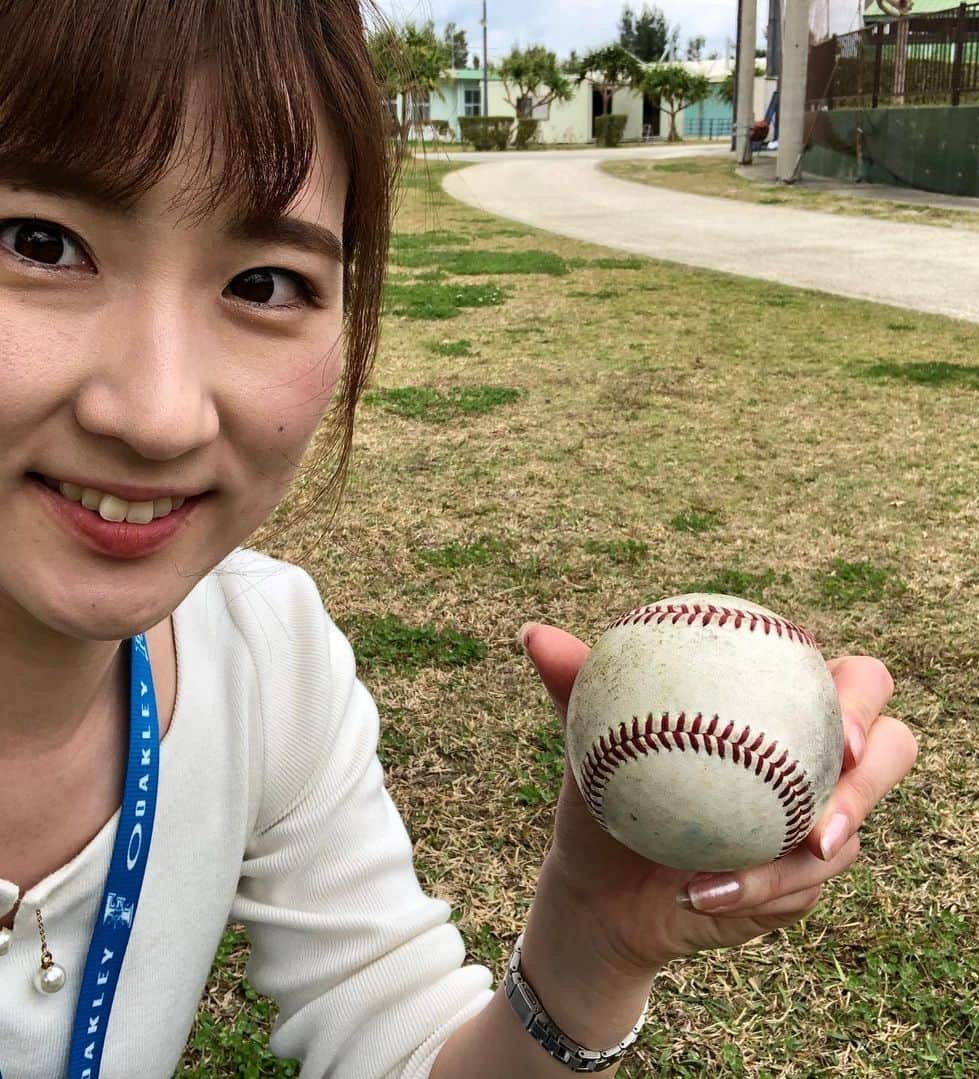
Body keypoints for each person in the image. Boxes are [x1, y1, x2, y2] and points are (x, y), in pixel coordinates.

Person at [0, 2, 918, 1077]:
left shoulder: (267, 657)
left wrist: (589, 941)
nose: (159, 414)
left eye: (265, 283)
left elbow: (393, 1033)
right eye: (40, 243)